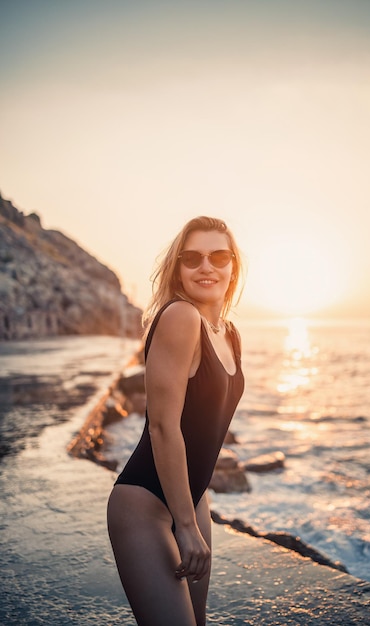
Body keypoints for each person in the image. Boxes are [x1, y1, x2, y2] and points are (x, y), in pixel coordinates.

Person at [107, 216, 245, 626]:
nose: (206, 267)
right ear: (178, 268)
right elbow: (163, 426)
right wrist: (184, 526)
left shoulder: (230, 332)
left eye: (218, 256)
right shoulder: (180, 317)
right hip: (145, 506)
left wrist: (193, 510)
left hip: (192, 497)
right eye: (192, 258)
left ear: (233, 265)